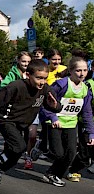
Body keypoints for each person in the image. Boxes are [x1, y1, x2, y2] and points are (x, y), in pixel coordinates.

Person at [0, 59, 61, 189]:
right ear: (28, 75)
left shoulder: (45, 88)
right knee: (19, 146)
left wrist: (55, 106)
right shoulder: (16, 86)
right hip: (7, 120)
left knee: (14, 153)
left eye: (45, 78)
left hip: (23, 124)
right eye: (38, 78)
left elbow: (56, 106)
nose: (42, 82)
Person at [40, 57, 94, 186]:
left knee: (70, 152)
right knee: (58, 153)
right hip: (55, 122)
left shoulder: (85, 89)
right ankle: (42, 147)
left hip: (70, 123)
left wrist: (91, 132)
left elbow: (87, 112)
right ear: (70, 70)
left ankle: (54, 174)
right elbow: (45, 103)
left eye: (85, 70)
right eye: (78, 70)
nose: (82, 74)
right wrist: (53, 117)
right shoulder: (62, 85)